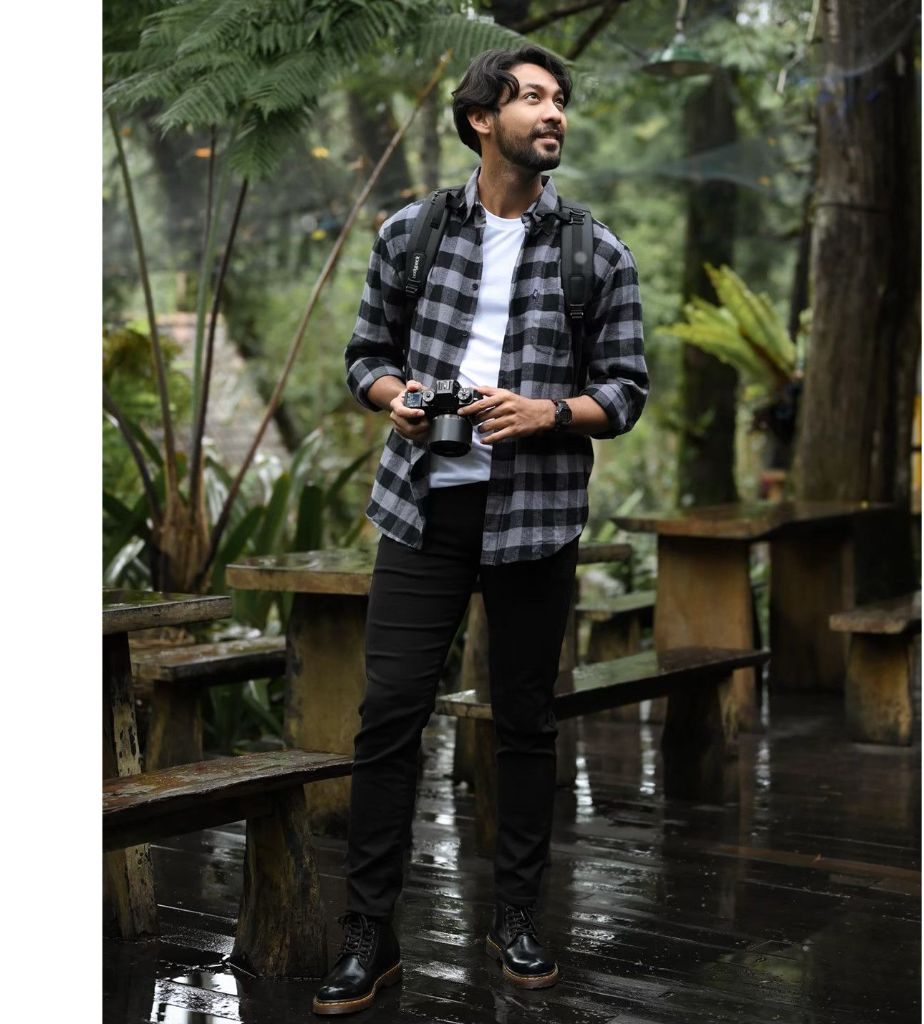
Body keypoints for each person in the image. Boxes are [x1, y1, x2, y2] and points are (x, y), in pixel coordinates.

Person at [312, 45, 648, 1016]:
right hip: (423, 507)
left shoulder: (597, 252)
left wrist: (547, 412)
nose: (554, 113)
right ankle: (369, 935)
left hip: (534, 516)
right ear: (480, 119)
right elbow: (365, 355)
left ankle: (517, 918)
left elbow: (625, 391)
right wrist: (396, 398)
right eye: (531, 97)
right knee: (389, 719)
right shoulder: (411, 231)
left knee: (527, 723)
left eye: (560, 100)